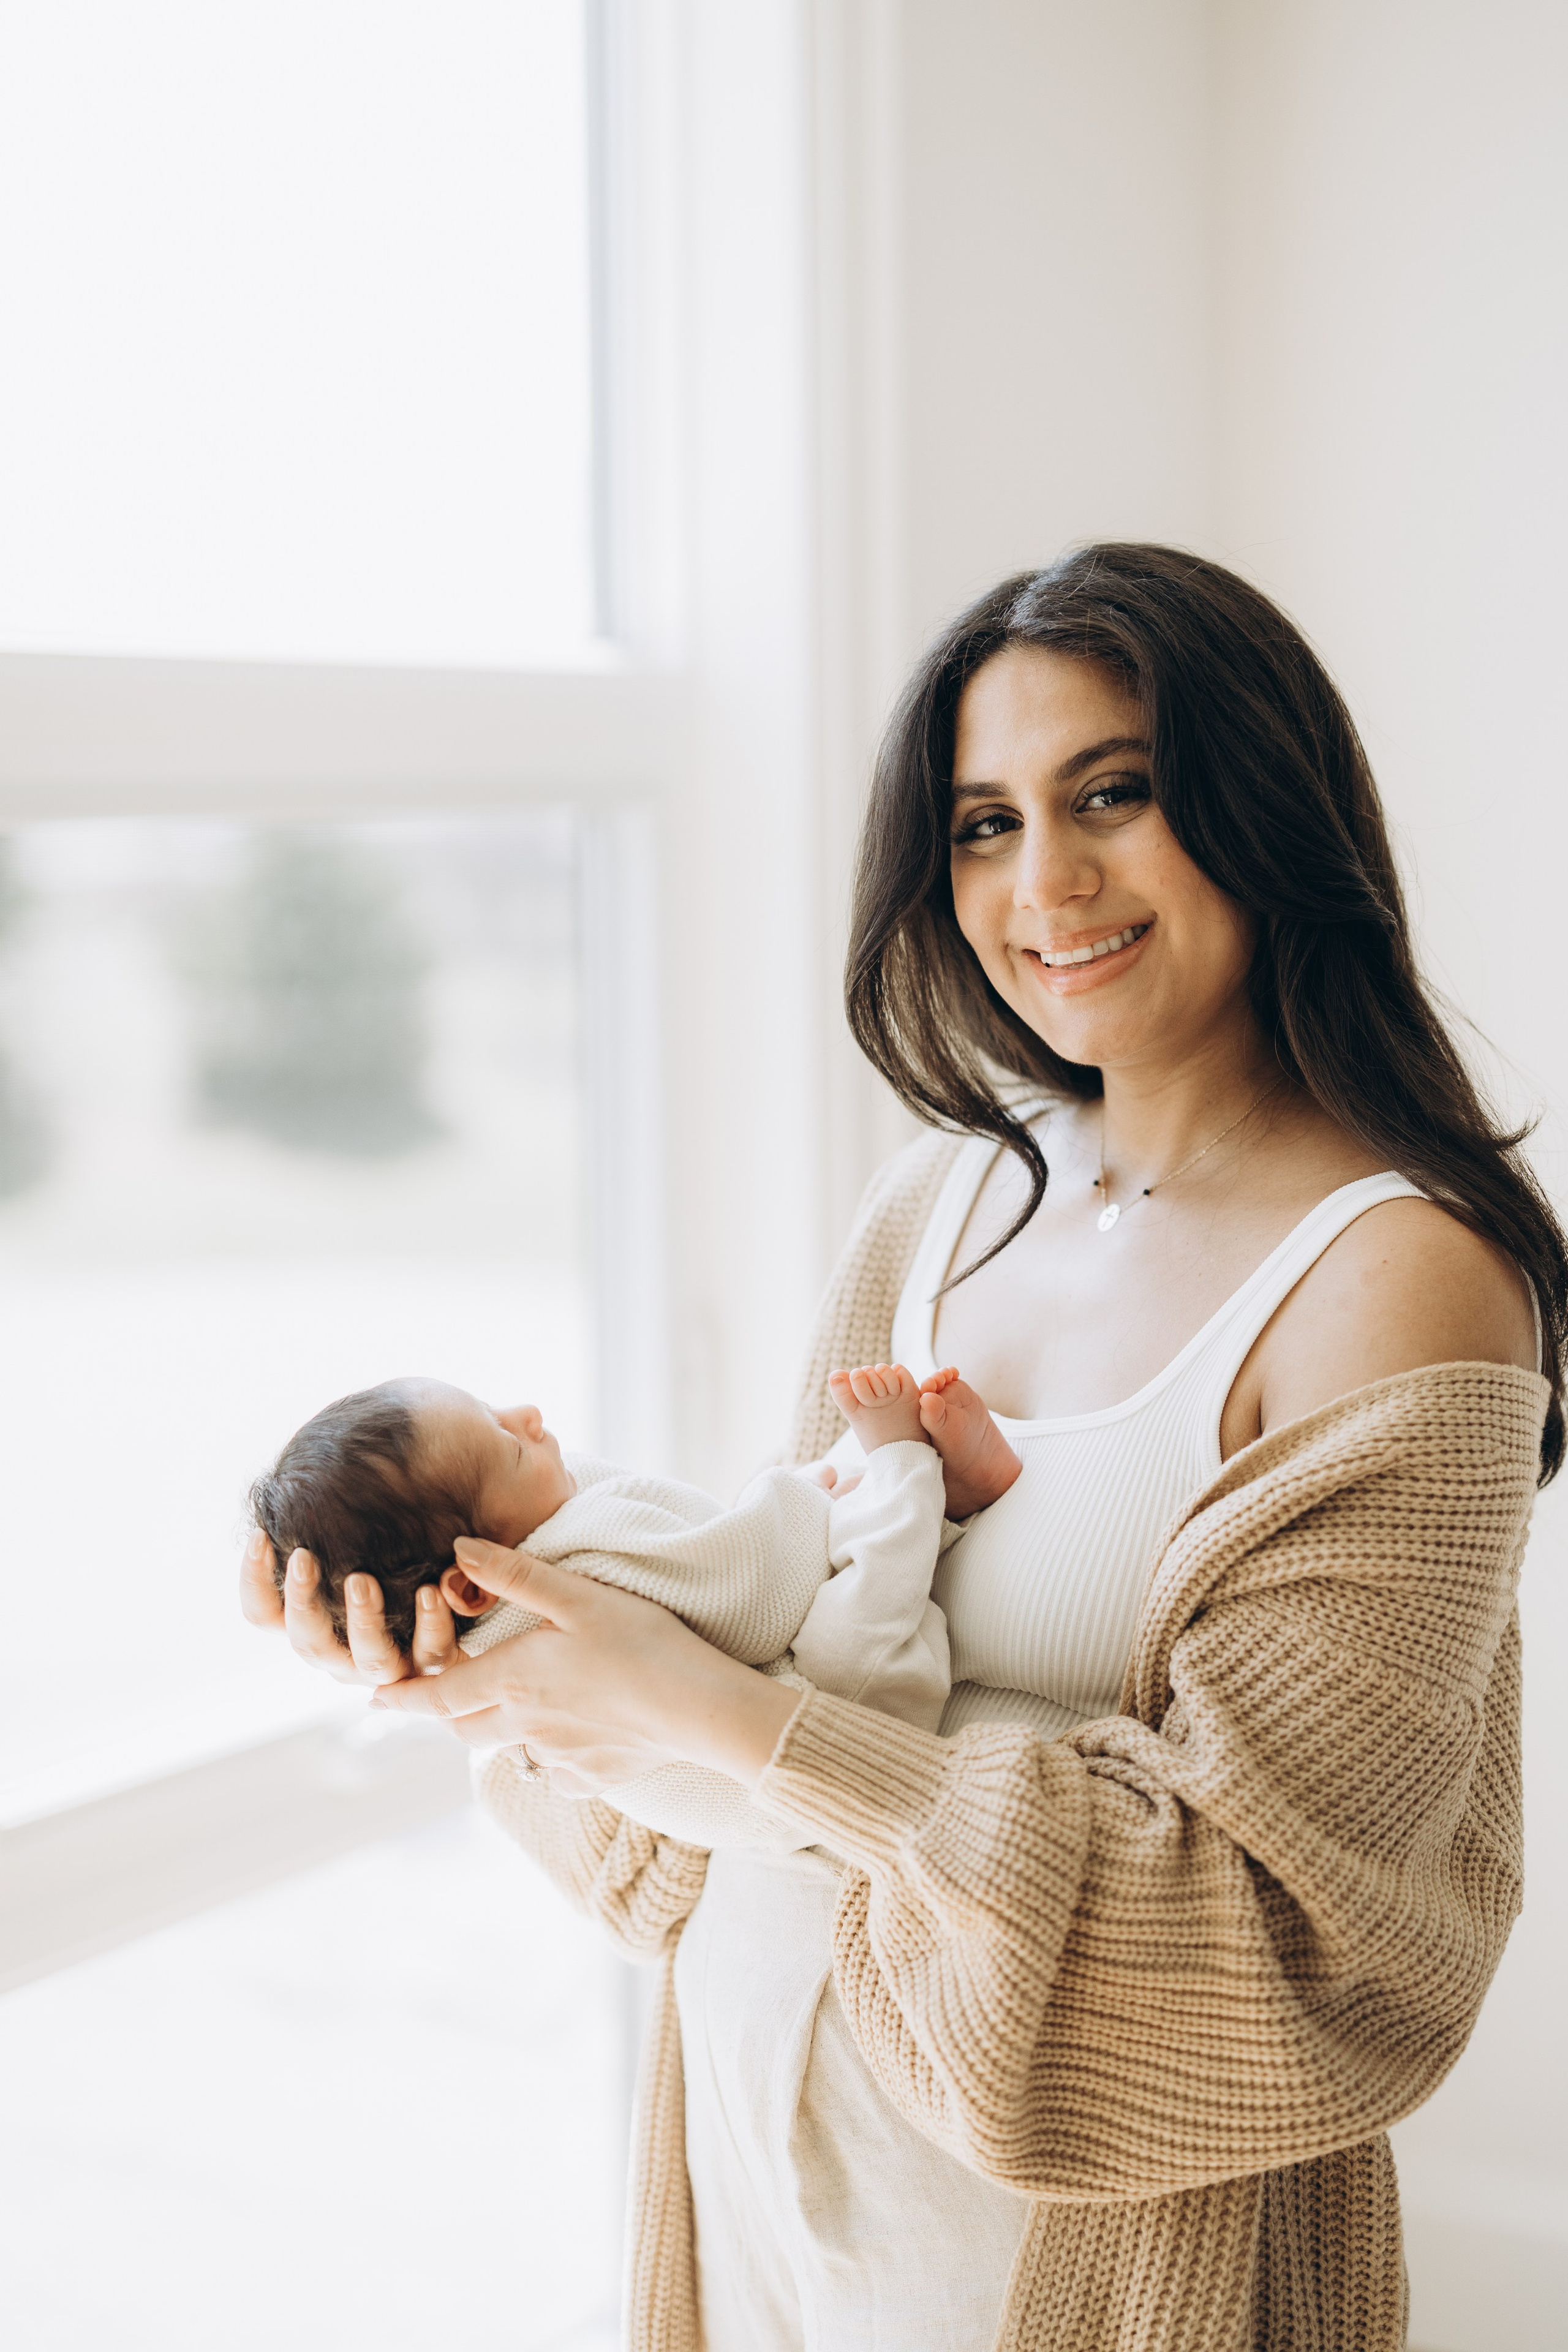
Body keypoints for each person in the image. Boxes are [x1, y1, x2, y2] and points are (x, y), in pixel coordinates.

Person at [243, 544, 1562, 2352]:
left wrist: (723, 1714)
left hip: (1075, 2266)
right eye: (981, 823)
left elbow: (1273, 1933)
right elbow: (711, 1804)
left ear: (1264, 803)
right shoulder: (935, 1206)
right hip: (759, 2190)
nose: (1048, 879)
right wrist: (477, 1656)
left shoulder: (1397, 1283)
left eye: (1113, 791)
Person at [248, 1363, 1020, 1843]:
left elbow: (621, 1522)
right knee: (851, 1566)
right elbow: (755, 1591)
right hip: (841, 1743)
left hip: (768, 1797)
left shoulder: (486, 1614)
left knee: (827, 1505)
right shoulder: (577, 1559)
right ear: (471, 1582)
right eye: (508, 1442)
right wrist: (794, 1497)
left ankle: (930, 1504)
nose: (531, 1418)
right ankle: (919, 1478)